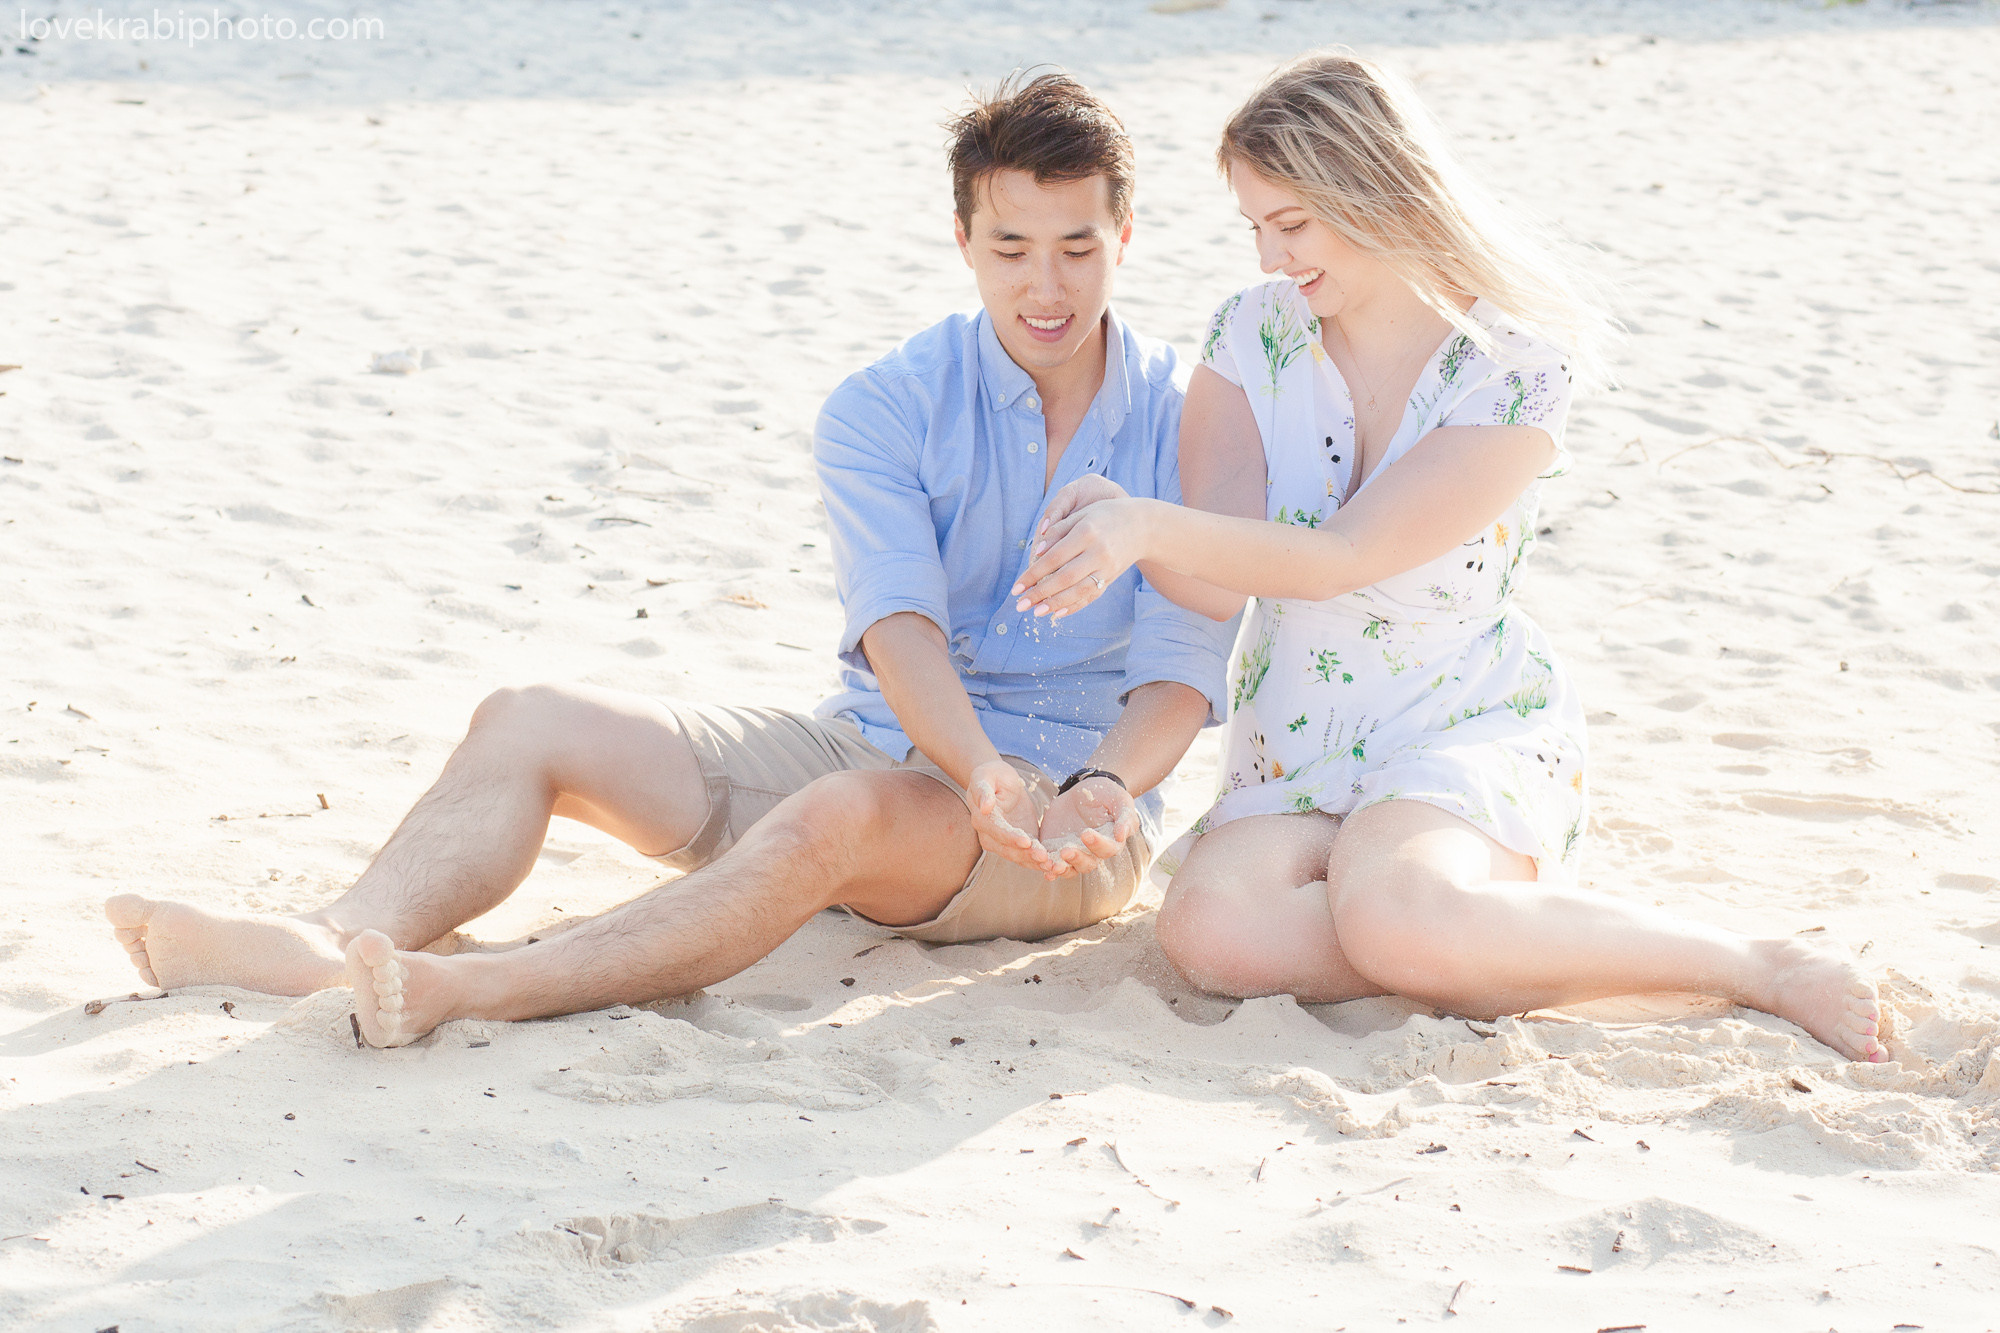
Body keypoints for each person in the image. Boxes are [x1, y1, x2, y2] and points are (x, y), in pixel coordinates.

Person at [104, 73, 1236, 1048]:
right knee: (531, 713)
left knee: (839, 815)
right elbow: (900, 631)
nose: (1047, 287)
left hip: (1075, 813)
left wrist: (1077, 788)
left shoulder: (1190, 418)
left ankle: (479, 988)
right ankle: (339, 936)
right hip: (893, 745)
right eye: (1012, 248)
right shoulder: (883, 406)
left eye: (1078, 248)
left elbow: (1183, 666)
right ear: (963, 243)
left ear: (1123, 239)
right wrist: (973, 767)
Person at [1011, 51, 1886, 1062]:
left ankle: (1749, 962)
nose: (1266, 258)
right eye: (1251, 226)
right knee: (1209, 932)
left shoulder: (1512, 369)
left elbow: (1342, 555)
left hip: (1454, 718)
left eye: (1288, 223)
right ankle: (1449, 929)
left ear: (1369, 188)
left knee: (1393, 908)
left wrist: (1145, 524)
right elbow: (1213, 580)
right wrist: (1108, 528)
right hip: (1296, 737)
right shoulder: (1248, 335)